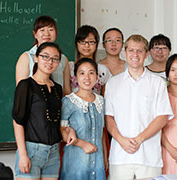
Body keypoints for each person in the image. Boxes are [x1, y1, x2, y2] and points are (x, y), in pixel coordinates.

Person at [105, 34, 173, 180]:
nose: (135, 55)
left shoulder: (158, 83)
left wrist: (139, 139)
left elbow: (162, 117)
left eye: (139, 51)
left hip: (149, 157)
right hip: (120, 157)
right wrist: (122, 140)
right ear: (124, 53)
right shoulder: (113, 84)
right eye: (131, 50)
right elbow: (109, 118)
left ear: (146, 54)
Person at [12, 42, 63, 180]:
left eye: (55, 58)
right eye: (45, 56)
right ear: (36, 58)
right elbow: (18, 121)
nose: (49, 62)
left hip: (53, 152)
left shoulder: (58, 88)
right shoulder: (26, 85)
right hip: (31, 151)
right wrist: (23, 155)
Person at [60, 58, 107, 180]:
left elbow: (101, 134)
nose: (87, 77)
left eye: (91, 73)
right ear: (75, 77)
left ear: (97, 77)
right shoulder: (68, 102)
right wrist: (81, 144)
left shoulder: (101, 101)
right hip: (76, 164)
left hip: (98, 163)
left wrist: (105, 158)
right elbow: (62, 131)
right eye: (82, 73)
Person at [15, 15, 71, 95]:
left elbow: (66, 91)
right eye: (42, 30)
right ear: (35, 34)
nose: (47, 33)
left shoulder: (63, 59)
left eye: (51, 30)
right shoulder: (26, 57)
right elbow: (21, 92)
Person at [70, 25, 111, 94]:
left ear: (96, 44)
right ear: (77, 43)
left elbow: (105, 97)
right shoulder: (69, 67)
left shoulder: (103, 70)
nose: (86, 45)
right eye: (82, 41)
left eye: (91, 42)